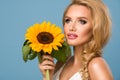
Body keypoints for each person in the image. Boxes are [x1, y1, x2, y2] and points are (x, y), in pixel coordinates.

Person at [39, 0, 113, 80]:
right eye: (68, 20)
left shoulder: (96, 65)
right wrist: (46, 77)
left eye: (82, 21)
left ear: (96, 28)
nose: (71, 27)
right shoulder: (62, 63)